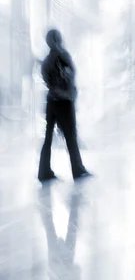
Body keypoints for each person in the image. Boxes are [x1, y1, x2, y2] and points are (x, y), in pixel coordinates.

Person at [38, 29, 90, 182]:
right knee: (70, 136)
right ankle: (78, 170)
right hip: (64, 101)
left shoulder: (47, 60)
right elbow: (72, 74)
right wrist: (71, 93)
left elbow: (46, 79)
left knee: (47, 137)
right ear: (58, 39)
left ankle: (44, 171)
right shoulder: (63, 55)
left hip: (51, 101)